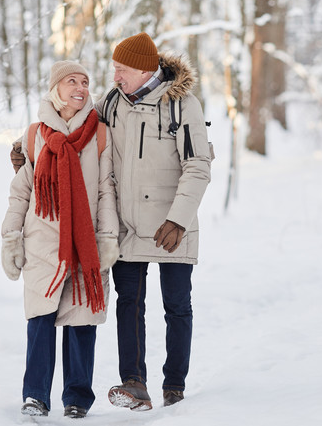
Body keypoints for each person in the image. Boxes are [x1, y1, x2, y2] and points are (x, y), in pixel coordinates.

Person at [1, 60, 119, 419]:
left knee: (81, 320)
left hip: (85, 242)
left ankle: (77, 398)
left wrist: (108, 236)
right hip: (43, 241)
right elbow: (21, 191)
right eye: (72, 81)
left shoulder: (99, 133)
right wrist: (11, 237)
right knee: (40, 319)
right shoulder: (36, 134)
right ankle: (36, 395)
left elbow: (105, 189)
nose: (80, 87)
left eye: (85, 82)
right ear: (56, 88)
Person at [101, 32, 212, 411]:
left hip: (171, 226)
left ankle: (174, 386)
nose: (115, 76)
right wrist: (26, 149)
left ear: (145, 69)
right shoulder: (113, 103)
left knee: (177, 306)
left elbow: (198, 166)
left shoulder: (182, 104)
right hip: (128, 225)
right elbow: (74, 130)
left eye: (122, 69)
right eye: (114, 68)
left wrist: (179, 220)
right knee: (129, 303)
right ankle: (134, 383)